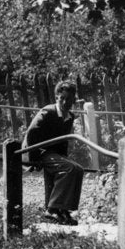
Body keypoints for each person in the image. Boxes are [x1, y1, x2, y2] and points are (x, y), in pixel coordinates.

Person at [23, 80, 83, 226]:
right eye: (61, 98)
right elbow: (31, 134)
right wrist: (34, 158)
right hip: (37, 151)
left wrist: (63, 157)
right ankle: (52, 209)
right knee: (68, 168)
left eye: (68, 99)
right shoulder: (48, 111)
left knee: (78, 169)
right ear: (57, 98)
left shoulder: (70, 116)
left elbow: (63, 141)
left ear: (73, 100)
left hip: (52, 153)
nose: (64, 102)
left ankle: (64, 210)